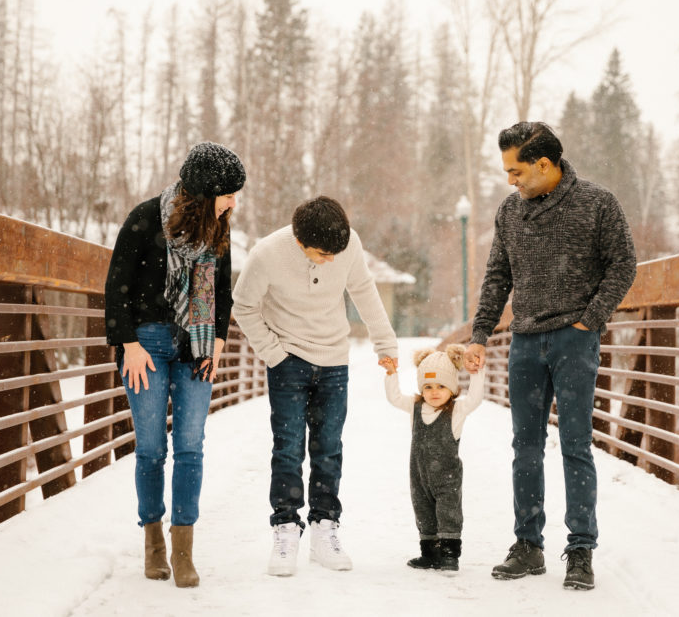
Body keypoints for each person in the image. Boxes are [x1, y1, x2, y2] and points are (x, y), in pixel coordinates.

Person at [464, 121, 636, 590]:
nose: (510, 180)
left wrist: (590, 320)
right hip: (524, 343)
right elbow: (497, 276)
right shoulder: (509, 212)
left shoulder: (597, 203)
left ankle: (580, 550)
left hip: (574, 341)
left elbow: (623, 263)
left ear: (544, 164)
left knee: (576, 445)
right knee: (525, 447)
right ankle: (528, 545)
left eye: (516, 171)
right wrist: (480, 334)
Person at [232, 196, 399, 577]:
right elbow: (243, 306)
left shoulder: (347, 244)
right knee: (288, 449)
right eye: (322, 254)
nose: (329, 260)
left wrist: (385, 345)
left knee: (328, 449)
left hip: (334, 360)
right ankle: (286, 528)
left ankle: (325, 528)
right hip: (287, 360)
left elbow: (364, 291)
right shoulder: (266, 255)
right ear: (298, 239)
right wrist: (274, 354)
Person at [104, 141, 246, 588]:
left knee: (189, 447)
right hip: (144, 346)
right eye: (228, 194)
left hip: (196, 346)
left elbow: (222, 291)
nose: (233, 203)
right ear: (207, 192)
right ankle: (153, 545)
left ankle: (183, 551)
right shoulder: (146, 218)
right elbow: (116, 285)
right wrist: (127, 343)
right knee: (150, 448)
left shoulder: (217, 230)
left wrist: (218, 340)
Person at [383, 345, 484, 572]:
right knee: (423, 512)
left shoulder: (456, 411)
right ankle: (428, 553)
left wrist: (477, 373)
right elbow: (394, 398)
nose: (434, 392)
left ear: (452, 388)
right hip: (419, 475)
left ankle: (449, 554)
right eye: (428, 387)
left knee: (448, 513)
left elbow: (476, 398)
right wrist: (391, 374)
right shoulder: (415, 407)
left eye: (441, 386)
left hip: (447, 477)